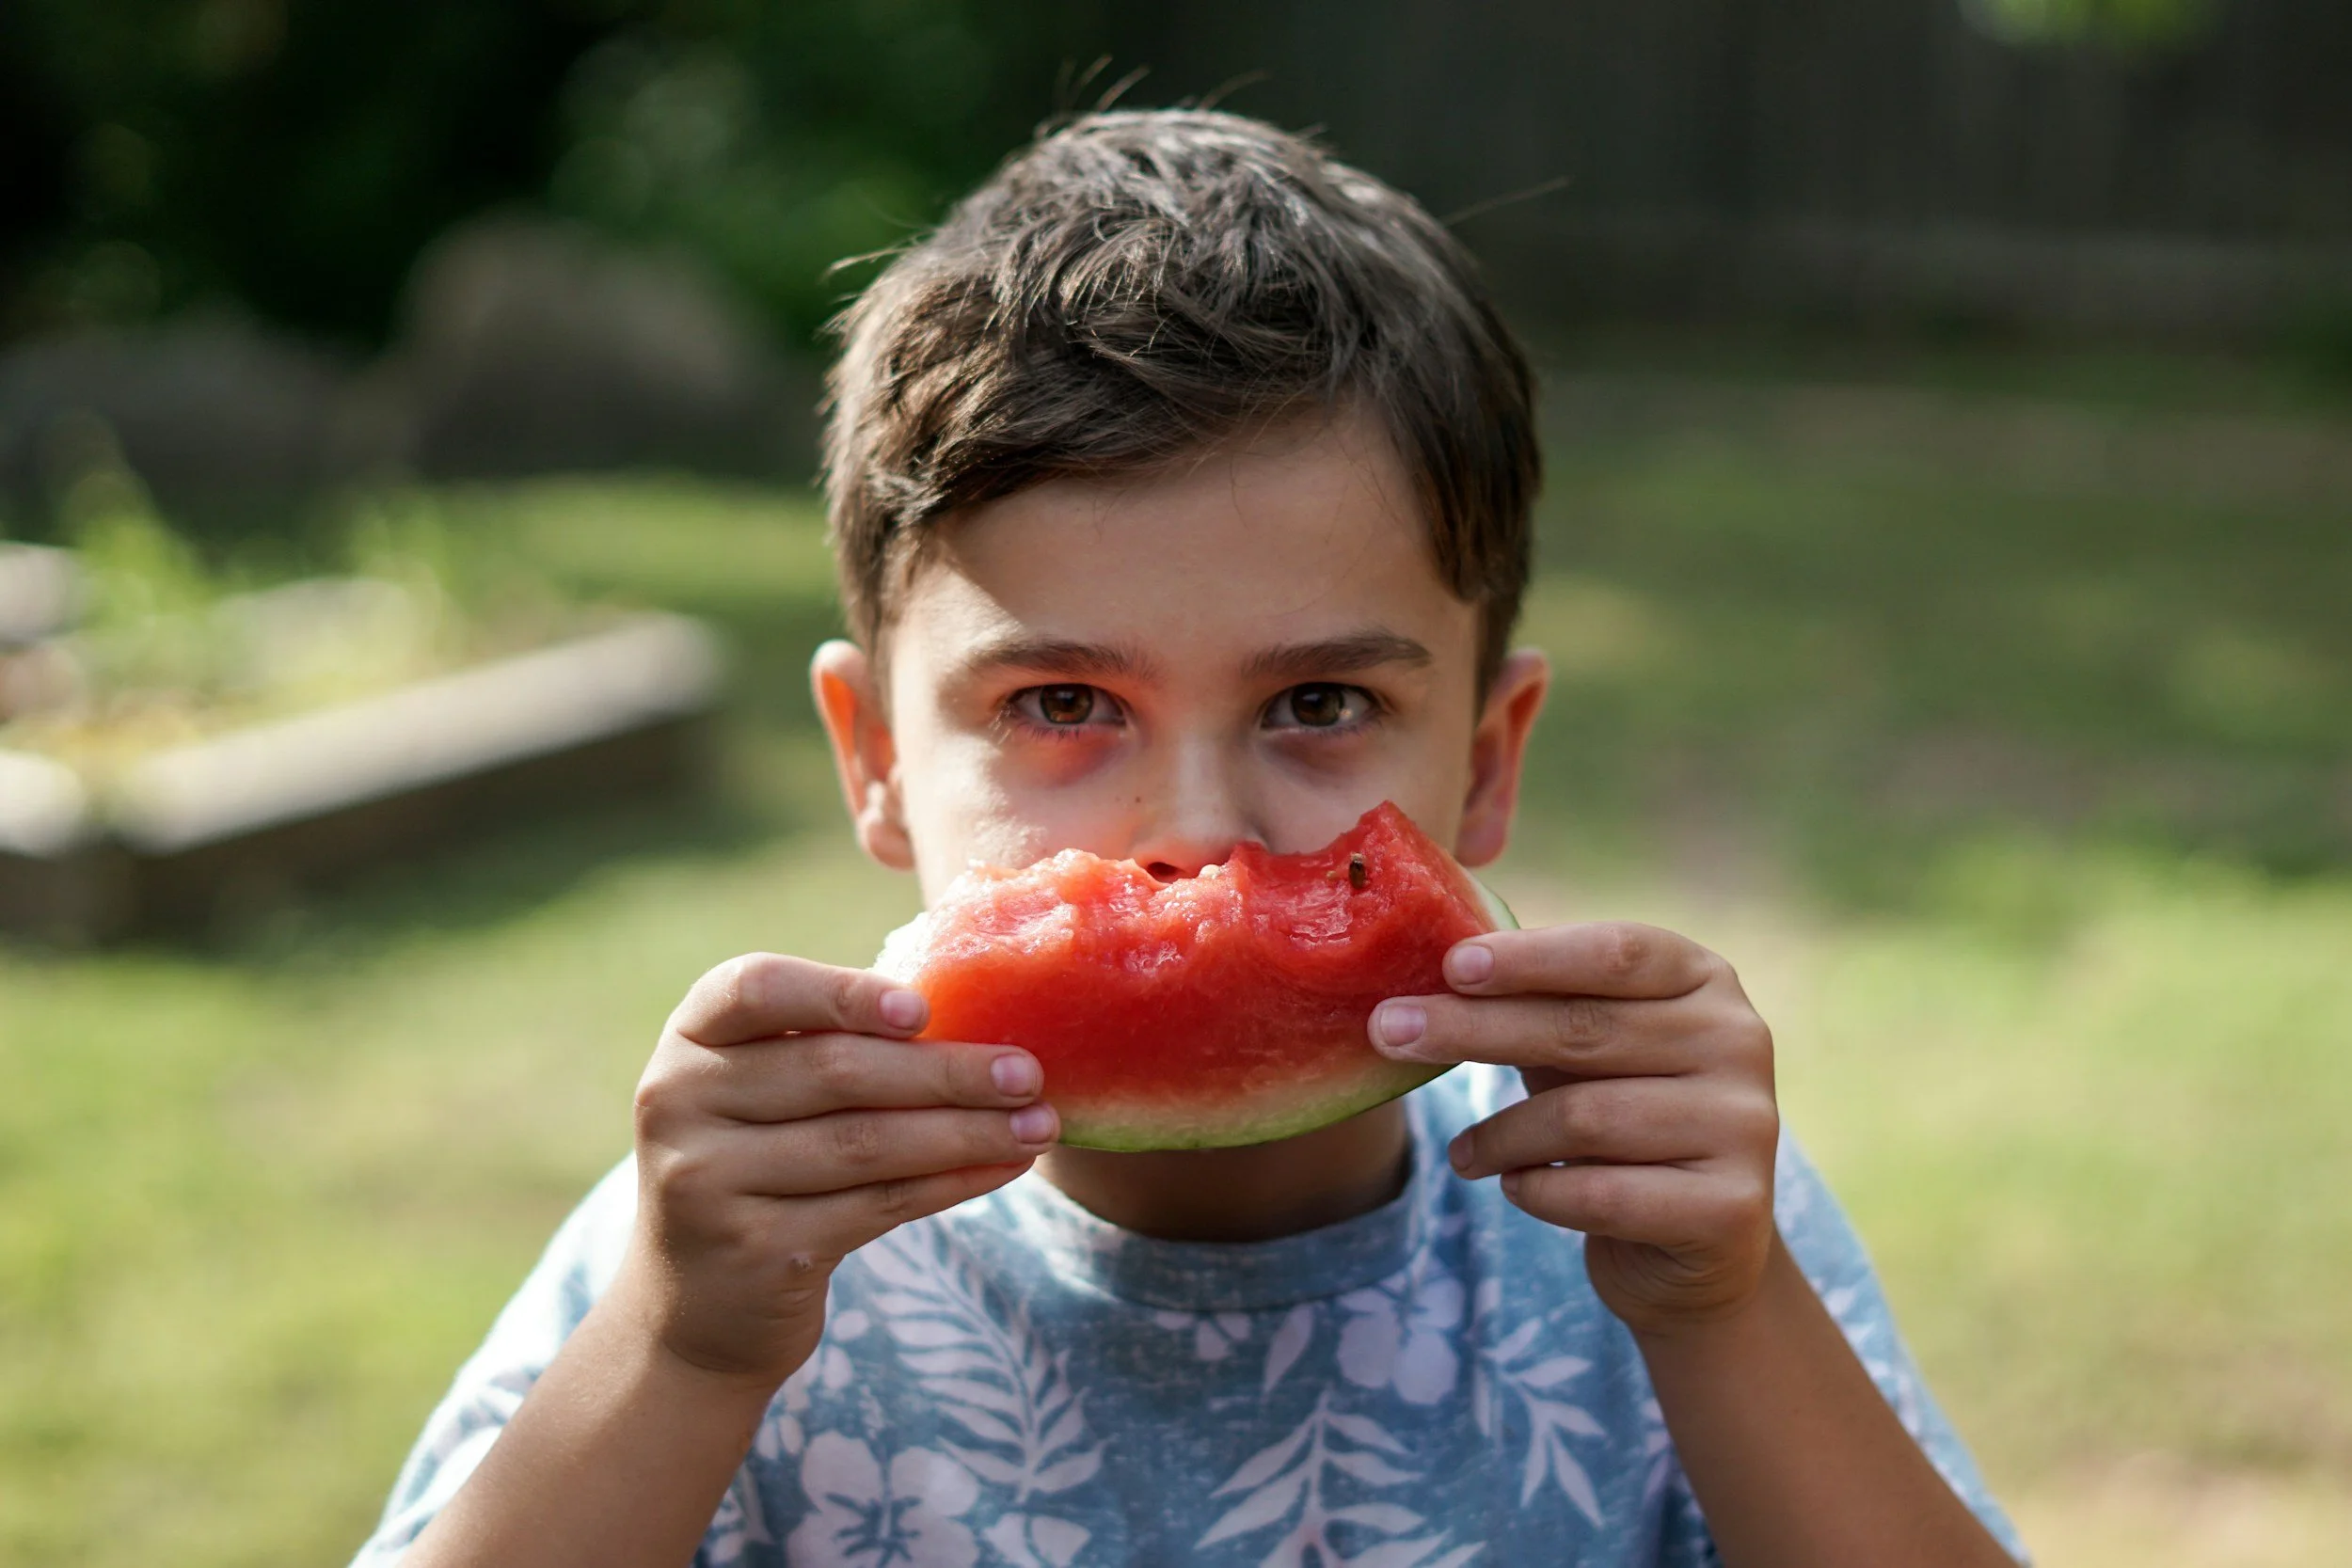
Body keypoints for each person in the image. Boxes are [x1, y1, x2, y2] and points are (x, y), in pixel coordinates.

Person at [354, 108, 2027, 1567]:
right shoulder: (729, 1244)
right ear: (871, 759)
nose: (1197, 833)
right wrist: (681, 1347)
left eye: (1317, 704)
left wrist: (1726, 1317)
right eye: (1065, 706)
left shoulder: (1651, 1216)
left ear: (1489, 758)